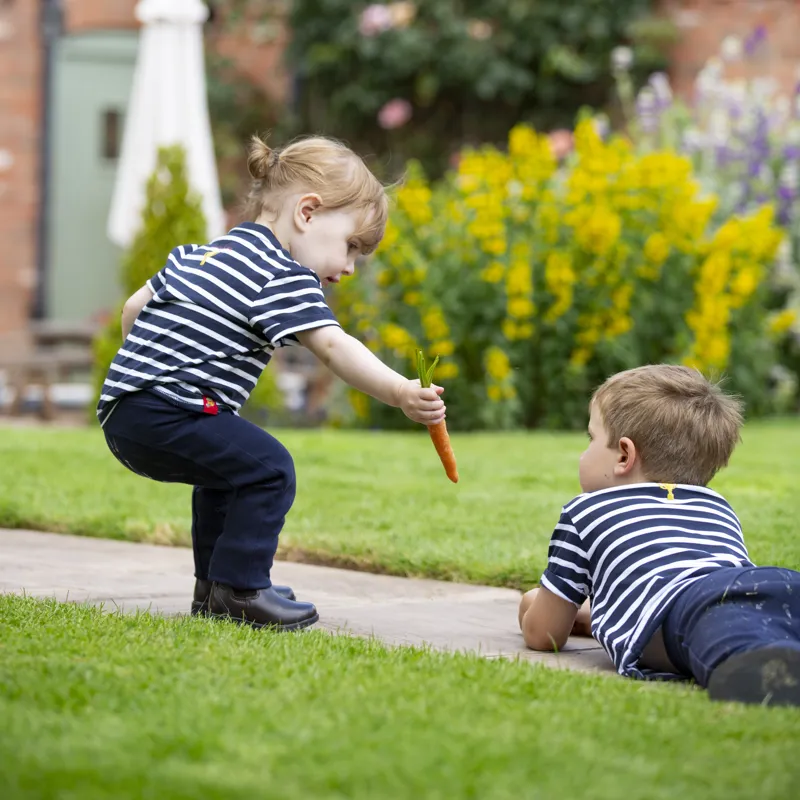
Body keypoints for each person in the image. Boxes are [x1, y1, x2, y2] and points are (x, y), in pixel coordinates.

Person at [98, 135, 446, 631]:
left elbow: (134, 308)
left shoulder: (204, 252)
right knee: (270, 469)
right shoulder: (281, 273)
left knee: (229, 473)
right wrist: (400, 391)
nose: (348, 267)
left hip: (124, 410)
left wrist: (145, 375)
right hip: (171, 410)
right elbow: (333, 346)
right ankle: (240, 591)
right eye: (350, 246)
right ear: (307, 213)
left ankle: (216, 586)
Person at [518, 365, 800, 706]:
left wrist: (532, 602)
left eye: (591, 439)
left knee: (737, 648)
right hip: (770, 583)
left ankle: (767, 676)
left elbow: (543, 633)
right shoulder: (716, 505)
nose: (584, 452)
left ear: (624, 454)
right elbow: (653, 596)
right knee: (765, 627)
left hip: (699, 606)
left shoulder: (585, 512)